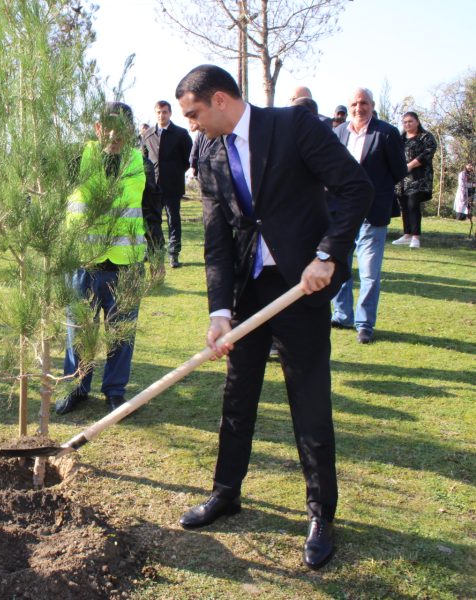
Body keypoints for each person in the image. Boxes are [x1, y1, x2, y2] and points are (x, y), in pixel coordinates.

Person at [174, 65, 373, 570]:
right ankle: (226, 492)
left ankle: (321, 515)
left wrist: (328, 254)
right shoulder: (211, 155)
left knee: (308, 400)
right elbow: (217, 240)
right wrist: (220, 311)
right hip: (249, 292)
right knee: (237, 394)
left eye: (194, 114)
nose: (191, 125)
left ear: (220, 100)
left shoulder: (293, 127)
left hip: (301, 288)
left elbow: (355, 188)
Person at [55, 101, 148, 415]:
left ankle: (115, 392)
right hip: (84, 262)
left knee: (122, 334)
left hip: (126, 265)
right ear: (97, 128)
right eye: (107, 127)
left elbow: (137, 202)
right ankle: (77, 388)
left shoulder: (137, 161)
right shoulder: (78, 157)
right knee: (79, 331)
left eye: (121, 128)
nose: (114, 134)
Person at [330, 88, 406, 344]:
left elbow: (398, 171)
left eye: (364, 103)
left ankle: (364, 324)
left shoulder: (387, 133)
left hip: (373, 213)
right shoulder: (338, 133)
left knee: (369, 273)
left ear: (373, 105)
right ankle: (342, 315)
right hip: (341, 213)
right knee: (339, 267)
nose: (358, 107)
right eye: (354, 103)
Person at [141, 100, 193, 268]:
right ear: (155, 113)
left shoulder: (181, 134)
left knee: (173, 220)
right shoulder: (147, 135)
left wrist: (175, 172)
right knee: (151, 220)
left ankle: (173, 254)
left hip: (172, 185)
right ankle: (151, 251)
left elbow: (188, 160)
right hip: (152, 187)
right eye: (158, 112)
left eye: (164, 112)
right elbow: (143, 160)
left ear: (170, 113)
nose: (161, 115)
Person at [392, 112, 437, 248]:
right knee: (404, 205)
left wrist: (411, 165)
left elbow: (429, 151)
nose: (407, 124)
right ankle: (407, 234)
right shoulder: (400, 138)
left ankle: (416, 237)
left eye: (410, 121)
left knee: (413, 204)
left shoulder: (425, 137)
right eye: (405, 122)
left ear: (417, 122)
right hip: (402, 178)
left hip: (419, 177)